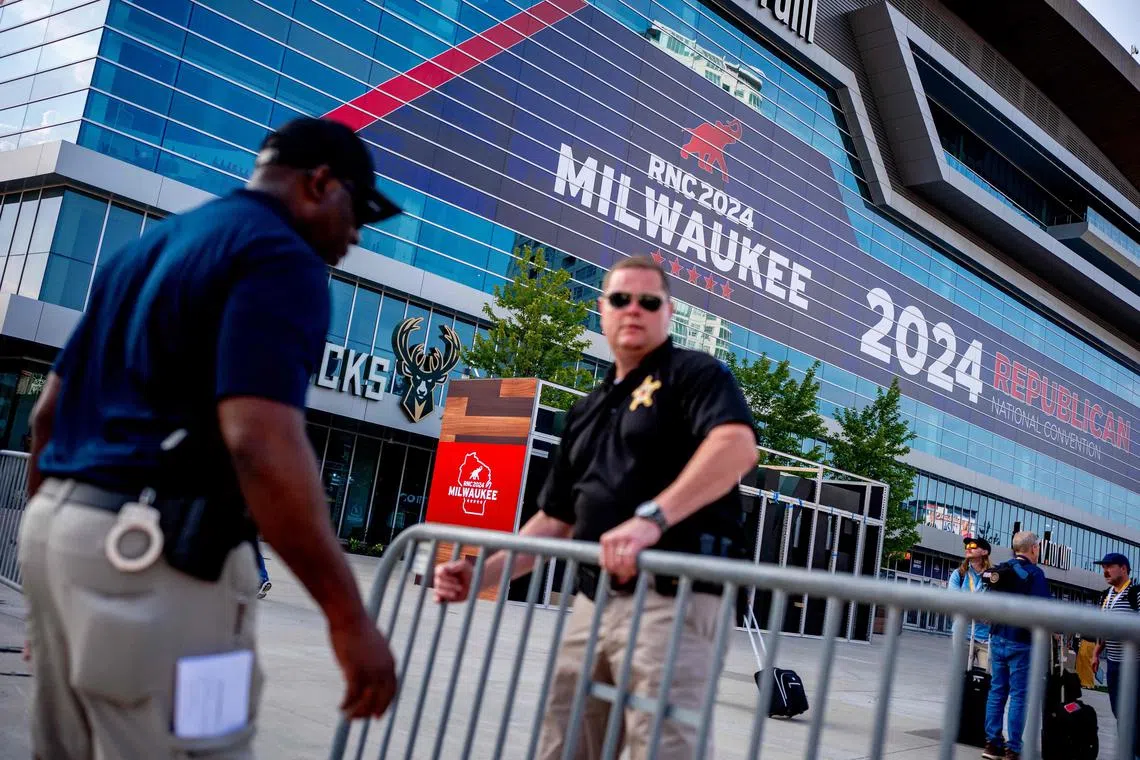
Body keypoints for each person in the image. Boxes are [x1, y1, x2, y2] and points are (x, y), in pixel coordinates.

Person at [17, 117, 400, 759]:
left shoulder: (147, 248)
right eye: (356, 212)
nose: (355, 237)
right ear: (320, 183)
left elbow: (47, 417)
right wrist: (348, 617)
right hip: (155, 561)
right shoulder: (282, 257)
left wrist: (55, 573)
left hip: (60, 534)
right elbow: (261, 443)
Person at [433, 255, 758, 760]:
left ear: (668, 312)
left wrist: (652, 520)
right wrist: (483, 573)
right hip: (593, 599)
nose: (634, 309)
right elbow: (556, 519)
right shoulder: (586, 410)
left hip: (675, 600)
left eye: (649, 301)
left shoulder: (696, 374)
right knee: (564, 742)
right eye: (621, 299)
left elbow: (737, 447)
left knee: (663, 748)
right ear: (602, 310)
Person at [982, 531, 1052, 760]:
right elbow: (1044, 610)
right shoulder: (1034, 574)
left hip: (998, 636)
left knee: (997, 691)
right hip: (1021, 640)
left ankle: (992, 744)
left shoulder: (1001, 570)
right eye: (1038, 547)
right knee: (1019, 695)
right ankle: (1013, 749)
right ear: (1033, 548)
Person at [1091, 552, 1140, 758]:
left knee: (1134, 713)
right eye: (1103, 567)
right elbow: (1104, 630)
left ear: (1124, 568)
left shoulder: (1135, 593)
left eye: (1109, 566)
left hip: (1134, 664)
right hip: (1113, 663)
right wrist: (1095, 653)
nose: (1105, 570)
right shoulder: (1106, 595)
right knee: (1119, 712)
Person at [948, 536, 992, 670]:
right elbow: (954, 600)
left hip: (986, 637)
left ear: (984, 552)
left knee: (986, 678)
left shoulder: (993, 577)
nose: (968, 548)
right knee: (960, 676)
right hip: (963, 634)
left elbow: (996, 604)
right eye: (967, 547)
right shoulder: (959, 574)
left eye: (973, 546)